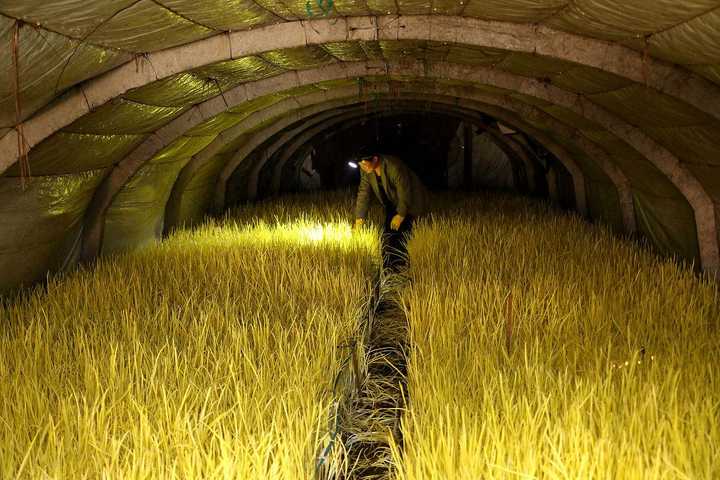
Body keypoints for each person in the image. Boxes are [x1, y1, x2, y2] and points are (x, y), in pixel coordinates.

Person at [353, 150, 429, 270]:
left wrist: (400, 215)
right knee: (388, 232)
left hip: (410, 202)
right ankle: (389, 266)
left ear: (375, 159)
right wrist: (359, 218)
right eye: (360, 164)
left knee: (402, 232)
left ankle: (400, 266)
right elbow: (364, 192)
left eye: (365, 164)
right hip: (391, 203)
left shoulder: (393, 167)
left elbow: (404, 191)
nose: (362, 167)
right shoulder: (366, 170)